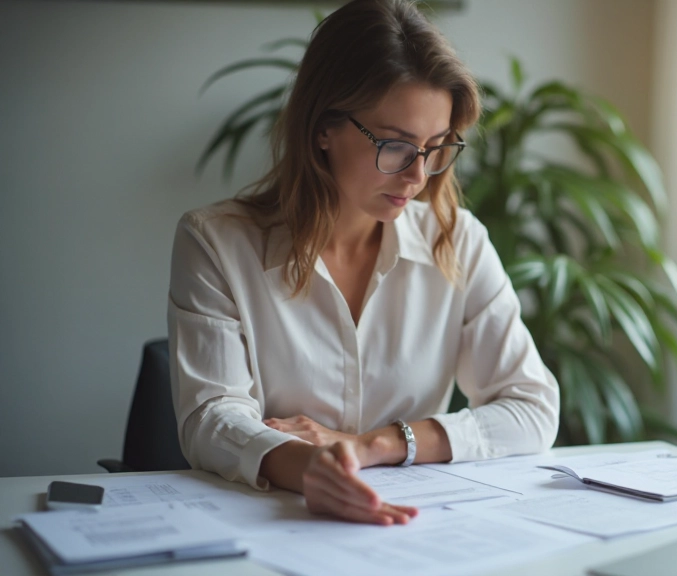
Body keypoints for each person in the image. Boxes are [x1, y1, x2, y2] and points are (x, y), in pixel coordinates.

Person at [168, 0, 559, 527]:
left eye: (437, 146)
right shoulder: (216, 242)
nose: (417, 176)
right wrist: (313, 469)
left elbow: (533, 408)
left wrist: (374, 445)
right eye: (396, 145)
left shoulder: (457, 241)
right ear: (322, 128)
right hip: (275, 527)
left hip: (413, 528)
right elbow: (210, 418)